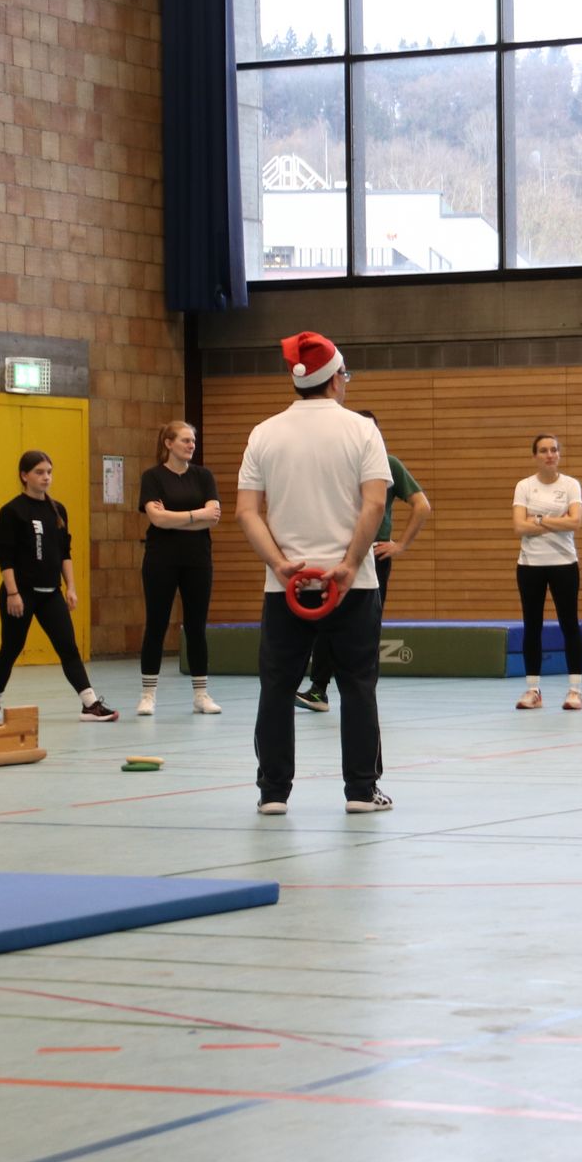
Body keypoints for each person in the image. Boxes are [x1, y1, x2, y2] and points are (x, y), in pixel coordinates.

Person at [237, 331, 392, 817]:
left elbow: (246, 512)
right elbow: (375, 504)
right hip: (353, 586)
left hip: (286, 587)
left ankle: (273, 793)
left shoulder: (264, 432)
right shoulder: (362, 430)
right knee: (358, 685)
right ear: (336, 378)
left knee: (277, 687)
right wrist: (348, 565)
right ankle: (361, 790)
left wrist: (279, 563)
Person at [298, 408, 429, 714]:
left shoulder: (388, 464)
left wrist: (400, 544)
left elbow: (421, 505)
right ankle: (318, 689)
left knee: (366, 625)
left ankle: (363, 692)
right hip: (337, 553)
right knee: (326, 618)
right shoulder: (339, 463)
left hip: (373, 554)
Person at [0, 451, 116, 725]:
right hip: (21, 593)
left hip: (50, 594)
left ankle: (89, 704)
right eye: (40, 472)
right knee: (11, 647)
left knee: (68, 647)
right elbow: (4, 557)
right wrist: (13, 593)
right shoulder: (12, 511)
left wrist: (71, 587)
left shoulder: (58, 510)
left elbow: (64, 552)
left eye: (49, 472)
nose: (46, 478)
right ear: (24, 476)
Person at [136, 420, 221, 716]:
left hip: (198, 559)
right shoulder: (152, 477)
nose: (191, 445)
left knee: (196, 626)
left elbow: (213, 517)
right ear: (168, 443)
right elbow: (157, 519)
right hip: (161, 559)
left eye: (192, 441)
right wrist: (196, 515)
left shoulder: (203, 476)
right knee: (156, 624)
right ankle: (148, 695)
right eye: (185, 440)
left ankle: (201, 695)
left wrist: (174, 517)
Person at [514, 433, 582, 711]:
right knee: (532, 626)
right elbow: (519, 527)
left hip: (564, 564)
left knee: (570, 624)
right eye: (543, 450)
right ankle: (533, 690)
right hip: (530, 565)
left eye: (554, 450)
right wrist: (557, 520)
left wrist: (538, 519)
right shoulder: (524, 486)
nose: (549, 455)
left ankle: (575, 690)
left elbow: (575, 522)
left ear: (559, 454)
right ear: (535, 455)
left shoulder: (570, 485)